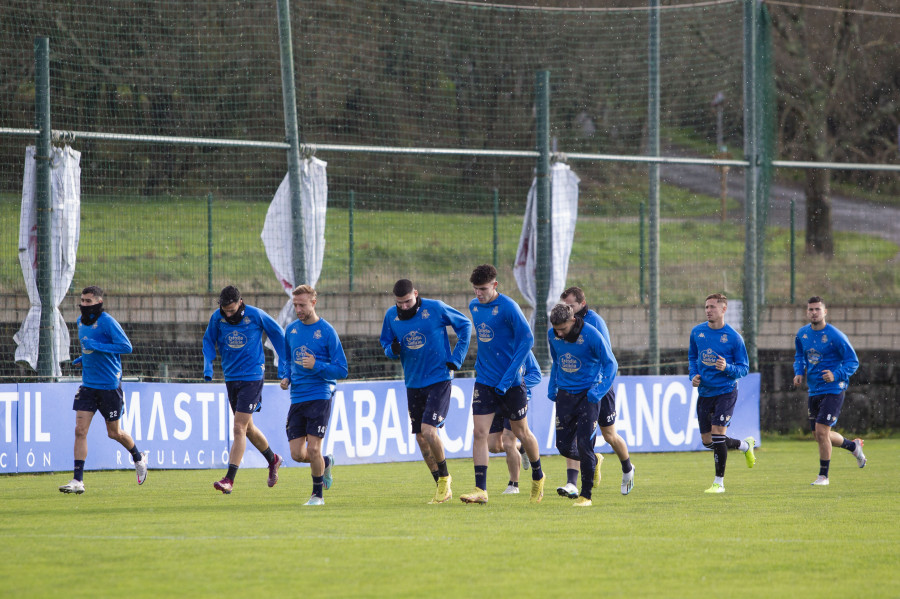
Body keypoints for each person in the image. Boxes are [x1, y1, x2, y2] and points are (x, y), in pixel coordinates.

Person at [380, 279, 472, 504]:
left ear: (416, 294)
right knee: (421, 439)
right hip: (412, 383)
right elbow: (385, 344)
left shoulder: (436, 308)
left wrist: (456, 358)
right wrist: (392, 350)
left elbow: (465, 326)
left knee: (429, 430)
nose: (404, 306)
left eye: (408, 301)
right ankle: (441, 485)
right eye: (399, 302)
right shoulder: (391, 316)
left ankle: (445, 478)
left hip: (439, 379)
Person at [460, 264, 546, 504]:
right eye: (476, 289)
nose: (479, 293)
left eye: (484, 289)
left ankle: (538, 476)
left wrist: (510, 375)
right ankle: (480, 489)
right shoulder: (474, 306)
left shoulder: (509, 307)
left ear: (495, 285)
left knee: (520, 433)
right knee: (479, 434)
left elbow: (527, 339)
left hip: (511, 383)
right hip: (485, 381)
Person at [59, 286, 147, 494]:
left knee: (114, 433)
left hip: (109, 385)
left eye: (88, 301)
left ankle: (138, 456)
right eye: (82, 300)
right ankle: (78, 481)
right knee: (80, 430)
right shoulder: (80, 322)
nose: (84, 304)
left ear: (98, 302)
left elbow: (126, 347)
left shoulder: (107, 321)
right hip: (89, 384)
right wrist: (84, 358)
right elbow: (89, 347)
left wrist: (98, 347)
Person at [203, 285, 288, 494]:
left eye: (232, 310)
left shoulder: (256, 315)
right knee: (248, 428)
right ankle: (273, 459)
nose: (228, 314)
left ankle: (229, 479)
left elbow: (278, 335)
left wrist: (284, 367)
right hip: (231, 377)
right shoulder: (217, 317)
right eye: (225, 310)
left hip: (252, 376)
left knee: (239, 427)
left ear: (240, 302)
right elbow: (208, 341)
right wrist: (208, 366)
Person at [547, 303, 623, 506]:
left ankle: (586, 495)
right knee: (562, 446)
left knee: (584, 444)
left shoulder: (591, 334)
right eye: (556, 329)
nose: (559, 333)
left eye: (563, 328)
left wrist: (598, 391)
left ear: (572, 320)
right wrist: (552, 385)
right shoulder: (552, 334)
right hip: (564, 395)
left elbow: (611, 363)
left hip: (587, 397)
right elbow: (557, 361)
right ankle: (594, 460)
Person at [281, 285, 348, 506]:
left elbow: (342, 369)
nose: (298, 309)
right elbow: (289, 361)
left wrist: (316, 365)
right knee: (297, 455)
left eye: (302, 305)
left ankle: (317, 496)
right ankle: (325, 462)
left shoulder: (327, 332)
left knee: (313, 448)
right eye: (295, 305)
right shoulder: (291, 331)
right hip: (297, 398)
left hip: (320, 395)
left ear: (313, 303)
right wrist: (286, 376)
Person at [688, 293, 755, 494]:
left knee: (718, 433)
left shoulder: (734, 338)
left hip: (726, 391)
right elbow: (693, 356)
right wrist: (694, 375)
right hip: (705, 393)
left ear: (724, 309)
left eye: (713, 307)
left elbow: (744, 368)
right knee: (708, 441)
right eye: (706, 307)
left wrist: (727, 367)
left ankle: (719, 483)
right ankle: (744, 446)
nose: (708, 310)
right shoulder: (697, 332)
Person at [793, 296, 865, 486]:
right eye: (811, 309)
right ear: (807, 312)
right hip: (814, 389)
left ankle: (823, 476)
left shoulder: (835, 336)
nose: (814, 313)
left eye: (817, 309)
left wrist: (836, 374)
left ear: (825, 312)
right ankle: (853, 446)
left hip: (834, 389)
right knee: (819, 435)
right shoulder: (802, 334)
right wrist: (799, 372)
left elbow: (853, 361)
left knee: (822, 431)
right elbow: (800, 355)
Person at [487, 351, 541, 495]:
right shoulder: (492, 347)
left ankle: (513, 485)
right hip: (496, 399)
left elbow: (536, 375)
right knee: (493, 446)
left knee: (508, 441)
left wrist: (515, 384)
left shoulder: (523, 349)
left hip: (516, 399)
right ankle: (522, 447)